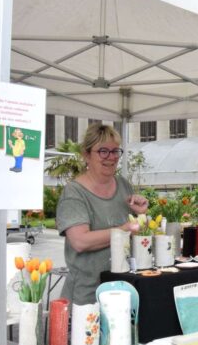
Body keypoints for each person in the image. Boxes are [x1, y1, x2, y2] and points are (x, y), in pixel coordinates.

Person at [56, 123, 148, 305]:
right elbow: (80, 241)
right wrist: (123, 229)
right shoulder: (74, 193)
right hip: (86, 296)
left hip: (121, 290)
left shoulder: (123, 186)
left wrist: (141, 215)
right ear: (86, 155)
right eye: (103, 151)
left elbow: (134, 234)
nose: (111, 157)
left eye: (115, 151)